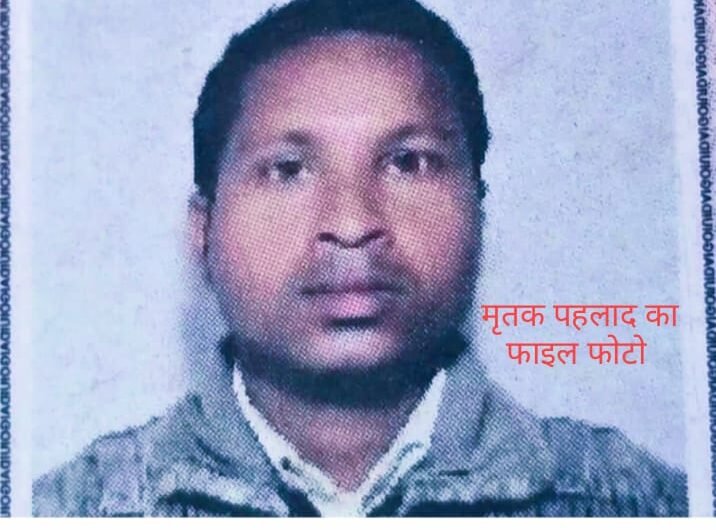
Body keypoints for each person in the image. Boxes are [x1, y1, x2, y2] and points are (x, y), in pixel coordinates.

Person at [33, 0, 688, 517]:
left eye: (409, 162)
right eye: (288, 170)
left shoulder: (644, 504)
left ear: (478, 213)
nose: (351, 225)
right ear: (203, 234)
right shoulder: (64, 510)